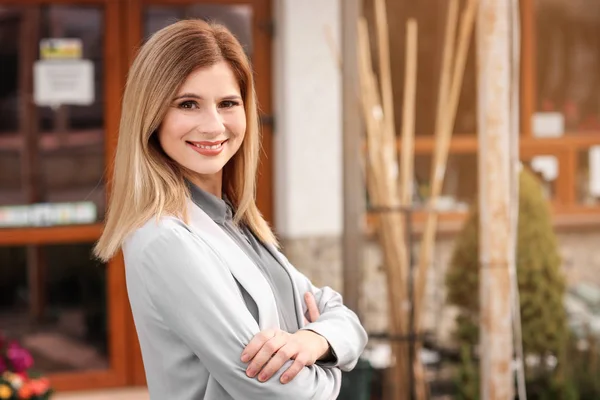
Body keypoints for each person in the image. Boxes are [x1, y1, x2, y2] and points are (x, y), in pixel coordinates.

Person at [93, 19, 368, 400]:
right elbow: (279, 390)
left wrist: (313, 339)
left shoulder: (234, 222)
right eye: (188, 104)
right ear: (151, 116)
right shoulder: (164, 240)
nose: (214, 125)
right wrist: (333, 369)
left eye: (228, 104)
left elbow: (347, 320)